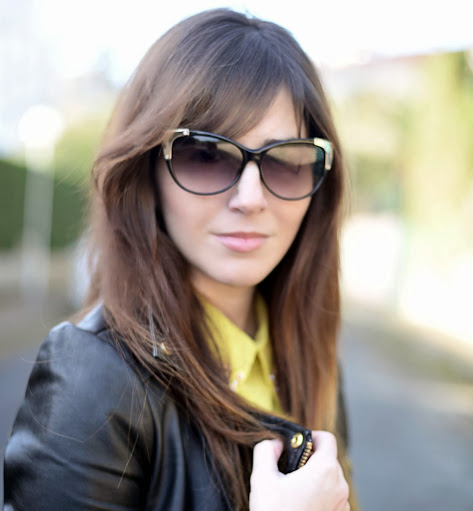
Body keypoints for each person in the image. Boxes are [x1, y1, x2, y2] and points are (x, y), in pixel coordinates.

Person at [4, 9, 358, 511]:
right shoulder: (93, 379)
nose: (251, 199)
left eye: (285, 161)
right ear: (146, 170)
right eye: (206, 156)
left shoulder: (311, 358)